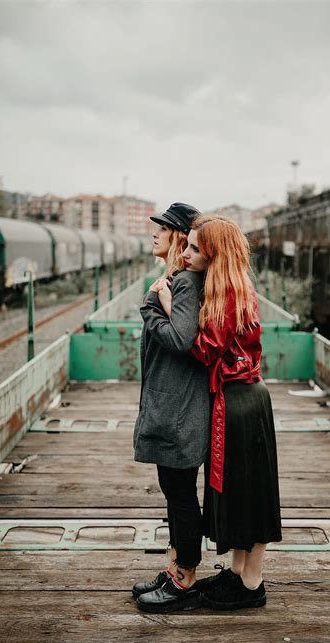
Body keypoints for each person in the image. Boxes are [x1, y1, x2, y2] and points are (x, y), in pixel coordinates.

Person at [156, 214, 282, 610]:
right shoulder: (230, 285)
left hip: (241, 400)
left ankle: (251, 583)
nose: (187, 253)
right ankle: (239, 573)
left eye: (195, 248)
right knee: (241, 491)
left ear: (214, 254)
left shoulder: (228, 293)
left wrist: (165, 304)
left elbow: (206, 349)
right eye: (188, 245)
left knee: (250, 493)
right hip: (239, 395)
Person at [132, 202, 210, 613]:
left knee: (180, 494)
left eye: (161, 228)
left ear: (178, 236)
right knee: (174, 491)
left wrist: (150, 307)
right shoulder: (176, 281)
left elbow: (180, 340)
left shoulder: (183, 284)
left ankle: (186, 580)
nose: (154, 234)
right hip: (175, 405)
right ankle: (176, 567)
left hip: (180, 410)